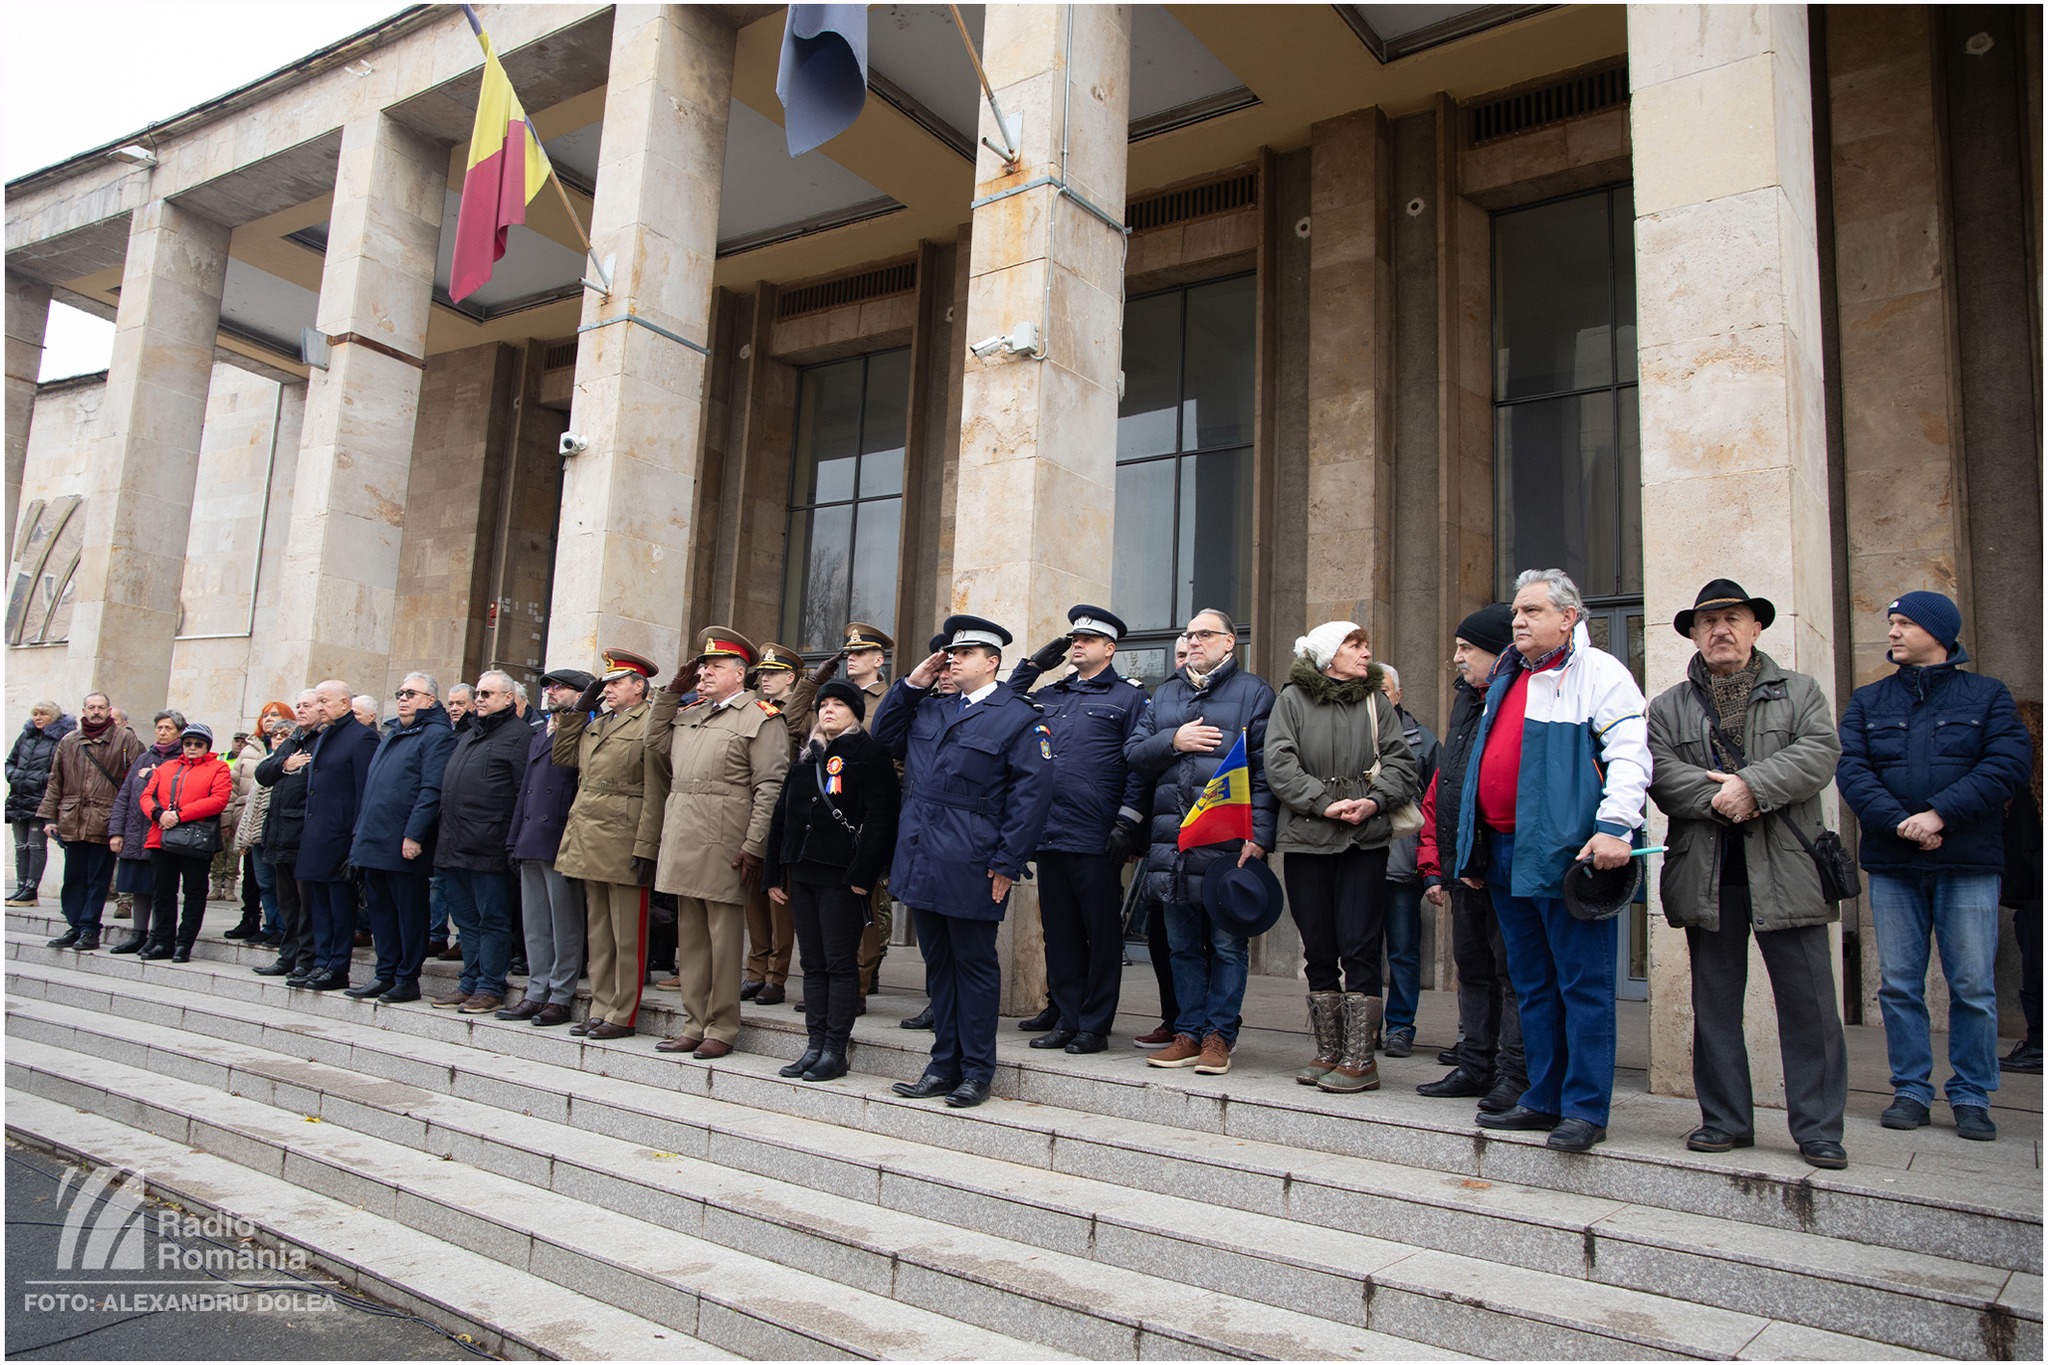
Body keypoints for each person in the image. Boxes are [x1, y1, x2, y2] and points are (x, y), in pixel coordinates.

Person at [1647, 579, 1851, 1170]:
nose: (1721, 630)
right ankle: (1725, 1120)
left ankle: (1817, 1128)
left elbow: (1818, 754)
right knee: (1714, 1003)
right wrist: (1720, 798)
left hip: (1788, 870)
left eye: (1732, 618)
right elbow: (1659, 773)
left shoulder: (1801, 692)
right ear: (1692, 633)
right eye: (1707, 622)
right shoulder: (1667, 706)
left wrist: (1752, 787)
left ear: (1756, 626)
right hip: (1708, 874)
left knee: (1809, 1005)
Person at [1455, 569, 1651, 1153]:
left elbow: (1630, 754)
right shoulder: (1508, 676)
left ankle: (1585, 1109)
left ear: (1569, 617)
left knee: (1582, 985)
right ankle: (1541, 1097)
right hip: (1506, 854)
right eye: (1516, 612)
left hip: (1569, 854)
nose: (1518, 621)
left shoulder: (1600, 673)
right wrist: (1471, 846)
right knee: (1533, 981)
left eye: (1532, 611)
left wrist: (1616, 826)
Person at [1837, 590, 2031, 1142]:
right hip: (1895, 864)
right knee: (1899, 984)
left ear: (1939, 633)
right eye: (1891, 622)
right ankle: (1911, 1090)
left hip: (1967, 863)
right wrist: (1902, 823)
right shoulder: (1869, 700)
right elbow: (1852, 771)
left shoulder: (1988, 696)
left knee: (1971, 985)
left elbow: (2007, 765)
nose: (1892, 633)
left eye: (1903, 624)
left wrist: (1939, 815)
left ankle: (1971, 1094)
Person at [872, 614, 1057, 1107]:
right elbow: (882, 734)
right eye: (951, 653)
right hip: (920, 853)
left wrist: (1007, 861)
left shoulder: (1017, 715)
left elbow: (1031, 798)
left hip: (973, 859)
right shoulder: (930, 709)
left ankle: (976, 1070)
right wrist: (912, 682)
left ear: (993, 662)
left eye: (966, 653)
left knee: (973, 967)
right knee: (939, 967)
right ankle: (942, 1064)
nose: (953, 659)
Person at [1265, 621, 1418, 1093]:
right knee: (1318, 947)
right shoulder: (1291, 699)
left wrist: (1373, 801)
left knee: (1360, 945)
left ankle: (1360, 1059)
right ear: (1330, 654)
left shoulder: (1376, 702)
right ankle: (1329, 1050)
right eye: (1355, 645)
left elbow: (1401, 763)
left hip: (1363, 840)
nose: (1366, 653)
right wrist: (1322, 802)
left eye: (1366, 644)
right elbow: (1279, 762)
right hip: (1307, 839)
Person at [1128, 609, 1279, 1077]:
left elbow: (1265, 772)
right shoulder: (1165, 693)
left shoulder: (1253, 692)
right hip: (1172, 842)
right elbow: (1133, 754)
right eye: (1189, 635)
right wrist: (1175, 738)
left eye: (1204, 634)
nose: (1193, 642)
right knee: (1182, 945)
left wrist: (1261, 834)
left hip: (1226, 843)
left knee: (1228, 945)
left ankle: (1219, 1036)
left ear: (1230, 643)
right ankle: (1188, 1032)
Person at [994, 606, 1152, 1055]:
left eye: (1087, 639)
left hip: (1097, 834)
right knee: (1060, 932)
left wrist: (1128, 823)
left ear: (1110, 649)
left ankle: (1094, 1024)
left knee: (1100, 934)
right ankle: (1066, 1017)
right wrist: (1029, 668)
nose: (1076, 644)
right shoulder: (1053, 693)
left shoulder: (1128, 698)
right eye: (1072, 639)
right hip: (1049, 832)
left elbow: (1138, 768)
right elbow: (1002, 707)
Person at [645, 629, 791, 1059]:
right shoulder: (689, 712)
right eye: (702, 667)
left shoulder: (761, 717)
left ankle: (722, 1027)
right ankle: (693, 1022)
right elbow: (654, 745)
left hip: (726, 840)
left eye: (715, 667)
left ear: (740, 674)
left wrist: (755, 845)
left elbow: (770, 787)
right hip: (685, 835)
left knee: (724, 942)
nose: (705, 673)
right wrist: (672, 692)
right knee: (690, 941)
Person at [1415, 604, 1527, 1113]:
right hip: (1464, 861)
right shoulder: (1466, 699)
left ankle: (1514, 1073)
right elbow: (1449, 782)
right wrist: (1444, 861)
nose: (1456, 658)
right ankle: (1475, 1063)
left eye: (1466, 649)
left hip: (1501, 859)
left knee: (1511, 972)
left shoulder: (1518, 696)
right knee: (1472, 966)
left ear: (1498, 650)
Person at [765, 679, 901, 1081]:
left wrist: (864, 874)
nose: (827, 710)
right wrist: (775, 871)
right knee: (813, 962)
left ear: (855, 713)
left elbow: (881, 819)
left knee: (840, 963)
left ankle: (835, 1049)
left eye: (838, 705)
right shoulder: (807, 757)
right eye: (823, 705)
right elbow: (781, 817)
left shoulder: (871, 755)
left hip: (843, 876)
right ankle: (814, 1044)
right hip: (802, 871)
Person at [553, 649, 663, 1038]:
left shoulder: (651, 721)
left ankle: (623, 1012)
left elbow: (655, 788)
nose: (608, 688)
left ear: (639, 687)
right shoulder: (597, 723)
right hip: (588, 835)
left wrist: (647, 844)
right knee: (599, 931)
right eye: (605, 683)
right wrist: (579, 710)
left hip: (623, 835)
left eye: (617, 682)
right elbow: (563, 756)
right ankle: (601, 1005)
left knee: (626, 933)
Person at [346, 672, 456, 1004]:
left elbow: (431, 790)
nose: (403, 698)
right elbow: (373, 791)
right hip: (374, 838)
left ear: (430, 700)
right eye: (400, 693)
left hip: (404, 842)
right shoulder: (396, 733)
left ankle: (408, 978)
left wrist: (414, 834)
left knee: (408, 911)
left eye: (411, 693)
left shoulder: (437, 735)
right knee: (380, 911)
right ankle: (386, 973)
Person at [741, 642, 839, 1007]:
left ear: (791, 678)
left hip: (787, 807)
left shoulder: (803, 711)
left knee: (779, 896)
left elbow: (792, 726)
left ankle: (775, 975)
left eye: (771, 673)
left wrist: (810, 686)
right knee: (753, 892)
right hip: (753, 805)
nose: (764, 679)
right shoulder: (751, 709)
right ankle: (755, 969)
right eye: (761, 673)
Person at [430, 670, 530, 1014]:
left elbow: (521, 795)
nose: (481, 699)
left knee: (493, 920)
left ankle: (490, 985)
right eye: (479, 693)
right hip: (454, 844)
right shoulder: (471, 733)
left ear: (508, 699)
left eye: (488, 693)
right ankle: (469, 982)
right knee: (466, 921)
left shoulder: (518, 736)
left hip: (490, 845)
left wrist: (512, 843)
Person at [499, 668, 592, 1025]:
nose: (551, 692)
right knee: (535, 923)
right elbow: (526, 790)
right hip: (531, 840)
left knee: (564, 923)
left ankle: (560, 994)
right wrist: (513, 838)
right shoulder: (541, 733)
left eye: (560, 688)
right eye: (550, 687)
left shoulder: (584, 730)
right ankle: (536, 990)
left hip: (560, 839)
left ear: (582, 695)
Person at [37, 692, 144, 950]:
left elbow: (136, 782)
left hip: (105, 820)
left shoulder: (125, 738)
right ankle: (74, 926)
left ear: (109, 711)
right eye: (91, 707)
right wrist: (50, 817)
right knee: (73, 877)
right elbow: (55, 781)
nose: (96, 711)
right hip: (72, 819)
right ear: (83, 710)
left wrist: (125, 822)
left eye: (102, 707)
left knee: (98, 879)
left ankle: (89, 929)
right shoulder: (69, 741)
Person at [1132, 635, 1196, 1048]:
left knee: (1209, 939)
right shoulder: (1159, 701)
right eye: (1179, 654)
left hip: (1210, 838)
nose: (1185, 658)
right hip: (1162, 838)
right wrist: (1172, 740)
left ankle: (1207, 1025)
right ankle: (1172, 1018)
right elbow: (1136, 759)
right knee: (1162, 936)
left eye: (1192, 651)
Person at [297, 679, 380, 991]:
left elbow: (363, 793)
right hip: (317, 834)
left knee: (339, 906)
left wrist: (356, 837)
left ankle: (336, 966)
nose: (319, 707)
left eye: (324, 701)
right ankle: (321, 962)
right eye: (316, 701)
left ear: (345, 703)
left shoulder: (361, 738)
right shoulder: (324, 735)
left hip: (341, 836)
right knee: (318, 903)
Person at [136, 721, 235, 961]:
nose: (192, 748)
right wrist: (159, 814)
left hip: (196, 839)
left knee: (194, 892)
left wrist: (179, 815)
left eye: (198, 744)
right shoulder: (167, 767)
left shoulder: (218, 768)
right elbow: (147, 795)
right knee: (163, 892)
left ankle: (184, 943)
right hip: (162, 835)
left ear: (207, 746)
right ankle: (163, 941)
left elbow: (218, 800)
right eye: (188, 743)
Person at [1378, 665, 1438, 1058]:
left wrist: (1433, 868)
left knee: (1402, 950)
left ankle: (1400, 1026)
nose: (1377, 697)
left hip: (1402, 865)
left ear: (1398, 695)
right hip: (1355, 860)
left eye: (1383, 690)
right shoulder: (1351, 731)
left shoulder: (1424, 741)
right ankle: (1361, 1026)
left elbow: (1437, 808)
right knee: (1358, 950)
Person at [252, 690, 320, 982]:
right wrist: (284, 764)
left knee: (307, 904)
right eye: (299, 705)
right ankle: (287, 955)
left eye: (307, 705)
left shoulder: (321, 740)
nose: (301, 710)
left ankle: (305, 959)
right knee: (287, 903)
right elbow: (263, 772)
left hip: (303, 835)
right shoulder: (293, 740)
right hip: (279, 832)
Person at [843, 622, 896, 998]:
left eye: (860, 653)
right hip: (838, 806)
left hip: (872, 806)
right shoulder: (837, 700)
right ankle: (846, 970)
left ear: (879, 660)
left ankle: (867, 971)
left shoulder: (889, 700)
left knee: (873, 894)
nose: (852, 658)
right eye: (848, 653)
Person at [105, 711, 184, 954]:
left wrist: (152, 776)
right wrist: (116, 832)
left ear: (179, 732)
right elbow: (125, 796)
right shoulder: (143, 757)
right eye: (159, 727)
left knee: (160, 888)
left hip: (163, 834)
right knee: (138, 886)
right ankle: (138, 934)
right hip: (136, 832)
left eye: (168, 728)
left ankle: (158, 935)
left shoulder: (182, 758)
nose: (162, 732)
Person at [2000, 701, 2042, 1074]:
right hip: (2031, 894)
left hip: (2034, 896)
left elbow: (2023, 846)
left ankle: (2038, 1046)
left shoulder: (2027, 790)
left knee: (2035, 970)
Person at [224, 709, 289, 942]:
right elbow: (247, 799)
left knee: (280, 886)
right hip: (255, 831)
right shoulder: (262, 761)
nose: (278, 738)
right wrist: (242, 834)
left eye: (284, 734)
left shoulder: (295, 762)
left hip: (280, 833)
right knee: (264, 884)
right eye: (275, 735)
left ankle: (282, 928)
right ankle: (270, 926)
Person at [7, 700, 72, 906]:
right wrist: (14, 775)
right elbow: (10, 760)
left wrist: (40, 779)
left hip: (42, 799)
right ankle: (21, 887)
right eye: (35, 713)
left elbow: (62, 770)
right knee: (21, 845)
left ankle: (31, 889)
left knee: (36, 844)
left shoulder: (62, 739)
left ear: (53, 717)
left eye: (43, 714)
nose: (38, 718)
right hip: (19, 797)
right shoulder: (26, 736)